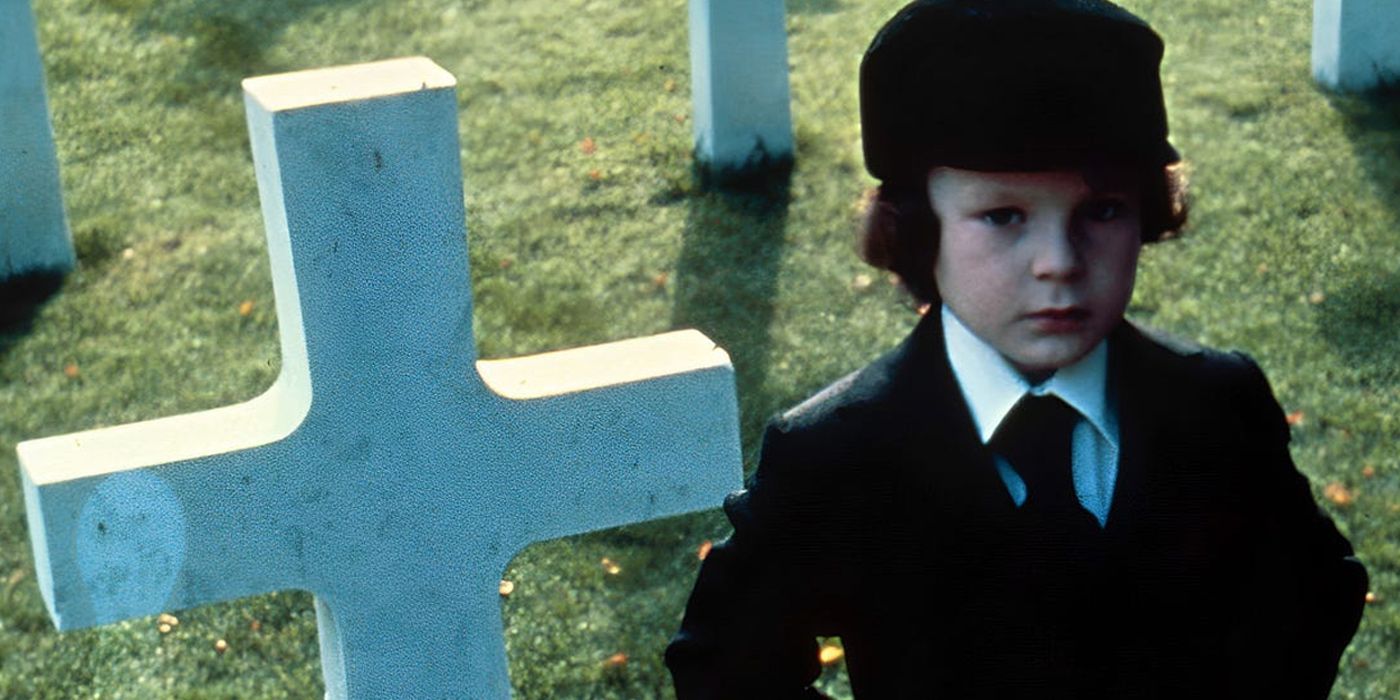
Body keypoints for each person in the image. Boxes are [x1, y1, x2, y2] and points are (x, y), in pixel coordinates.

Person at [664, 1, 1369, 697]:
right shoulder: (836, 455)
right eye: (1003, 216)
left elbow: (1316, 592)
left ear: (1149, 216)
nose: (1058, 261)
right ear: (917, 230)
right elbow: (723, 664)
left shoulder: (1217, 406)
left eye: (1102, 210)